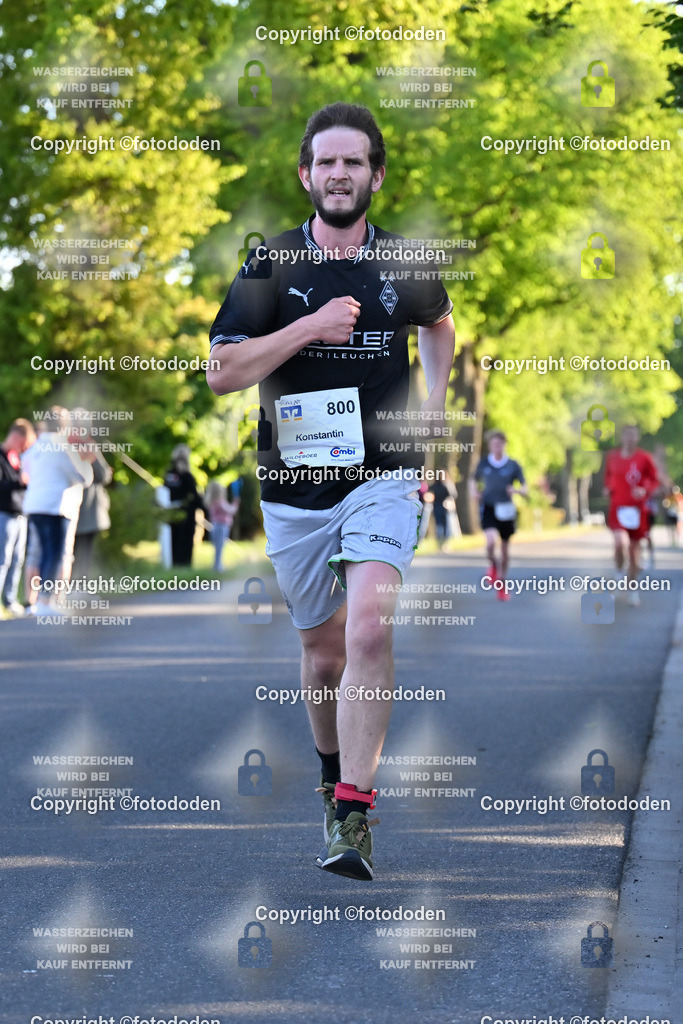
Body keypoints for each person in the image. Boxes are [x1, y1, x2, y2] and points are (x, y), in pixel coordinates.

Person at [208, 102, 454, 880]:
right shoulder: (269, 265)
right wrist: (306, 329)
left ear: (375, 174)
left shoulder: (406, 262)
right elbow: (221, 373)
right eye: (327, 162)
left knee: (369, 632)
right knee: (320, 657)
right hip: (293, 488)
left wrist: (435, 420)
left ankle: (352, 812)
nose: (339, 174)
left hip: (380, 475)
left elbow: (440, 326)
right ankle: (328, 773)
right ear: (306, 175)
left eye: (354, 162)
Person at [21, 407, 94, 615]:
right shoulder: (62, 446)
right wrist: (87, 463)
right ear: (64, 425)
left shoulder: (36, 446)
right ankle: (46, 601)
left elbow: (26, 470)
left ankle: (33, 602)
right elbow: (83, 477)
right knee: (56, 554)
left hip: (34, 506)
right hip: (56, 507)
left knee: (40, 553)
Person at [603, 424, 659, 605]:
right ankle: (619, 573)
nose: (629, 438)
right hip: (618, 508)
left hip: (637, 510)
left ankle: (632, 589)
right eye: (626, 435)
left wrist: (645, 490)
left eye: (633, 435)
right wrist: (608, 488)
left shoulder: (644, 458)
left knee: (634, 552)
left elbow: (654, 480)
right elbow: (609, 477)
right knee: (620, 543)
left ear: (637, 438)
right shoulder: (613, 457)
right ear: (621, 437)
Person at [469, 430, 527, 601]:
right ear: (490, 446)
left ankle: (502, 583)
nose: (497, 447)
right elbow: (473, 479)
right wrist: (474, 492)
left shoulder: (513, 465)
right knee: (490, 542)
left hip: (506, 508)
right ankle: (494, 565)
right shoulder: (484, 463)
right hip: (488, 506)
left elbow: (525, 487)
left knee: (505, 549)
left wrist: (516, 490)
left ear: (504, 445)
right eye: (494, 444)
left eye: (499, 444)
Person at [0, 418, 36, 617]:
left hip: (20, 515)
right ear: (16, 437)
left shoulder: (17, 458)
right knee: (2, 560)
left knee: (17, 560)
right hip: (4, 513)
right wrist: (19, 482)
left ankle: (10, 601)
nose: (24, 449)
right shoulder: (1, 456)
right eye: (24, 444)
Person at [73, 450, 112, 580]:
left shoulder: (62, 445)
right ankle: (80, 586)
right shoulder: (88, 448)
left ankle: (75, 586)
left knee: (73, 551)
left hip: (76, 510)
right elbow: (104, 475)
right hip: (85, 511)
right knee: (84, 552)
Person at [163, 444, 204, 567]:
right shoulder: (187, 476)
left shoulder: (168, 474)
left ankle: (174, 564)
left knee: (173, 540)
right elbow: (194, 497)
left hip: (171, 513)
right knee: (184, 541)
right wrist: (203, 506)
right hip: (186, 515)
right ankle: (183, 566)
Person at [205, 481, 239, 571]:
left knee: (218, 547)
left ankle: (217, 565)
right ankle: (218, 566)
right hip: (221, 526)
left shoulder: (212, 502)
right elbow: (230, 510)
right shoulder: (219, 502)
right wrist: (235, 503)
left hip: (216, 526)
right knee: (219, 547)